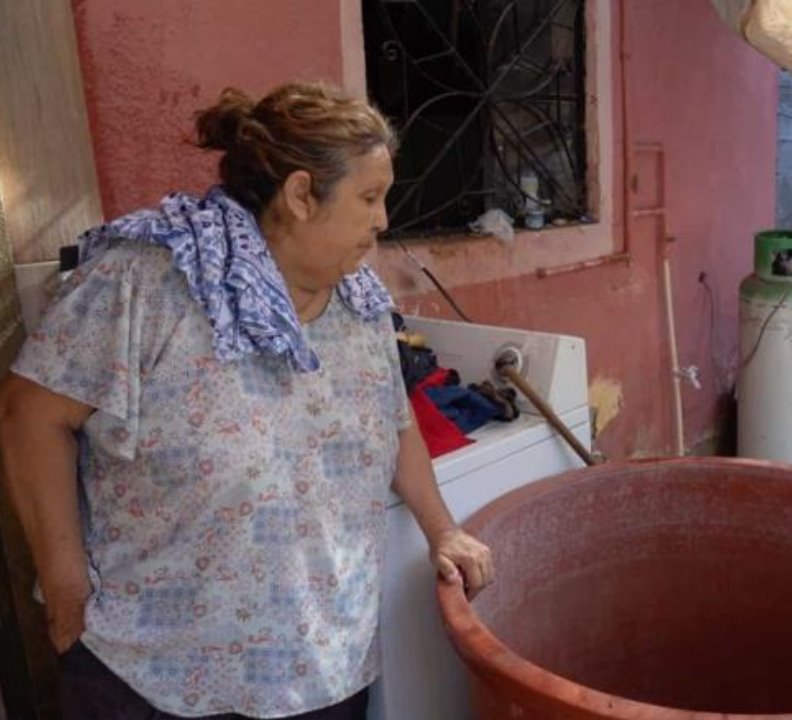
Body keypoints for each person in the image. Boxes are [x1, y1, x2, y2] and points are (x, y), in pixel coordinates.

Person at [0, 82, 494, 719]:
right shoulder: (148, 281)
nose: (383, 221)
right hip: (156, 674)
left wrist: (443, 529)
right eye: (369, 198)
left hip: (323, 664)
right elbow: (30, 416)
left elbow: (392, 421)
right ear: (299, 195)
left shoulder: (360, 303)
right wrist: (66, 590)